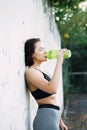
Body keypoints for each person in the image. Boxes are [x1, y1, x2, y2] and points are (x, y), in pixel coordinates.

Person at [24, 38, 68, 130]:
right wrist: (59, 62)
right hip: (46, 117)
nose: (45, 51)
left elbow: (52, 98)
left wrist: (60, 121)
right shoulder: (31, 72)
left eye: (44, 48)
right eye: (40, 49)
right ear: (32, 54)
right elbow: (52, 89)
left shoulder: (42, 72)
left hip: (53, 117)